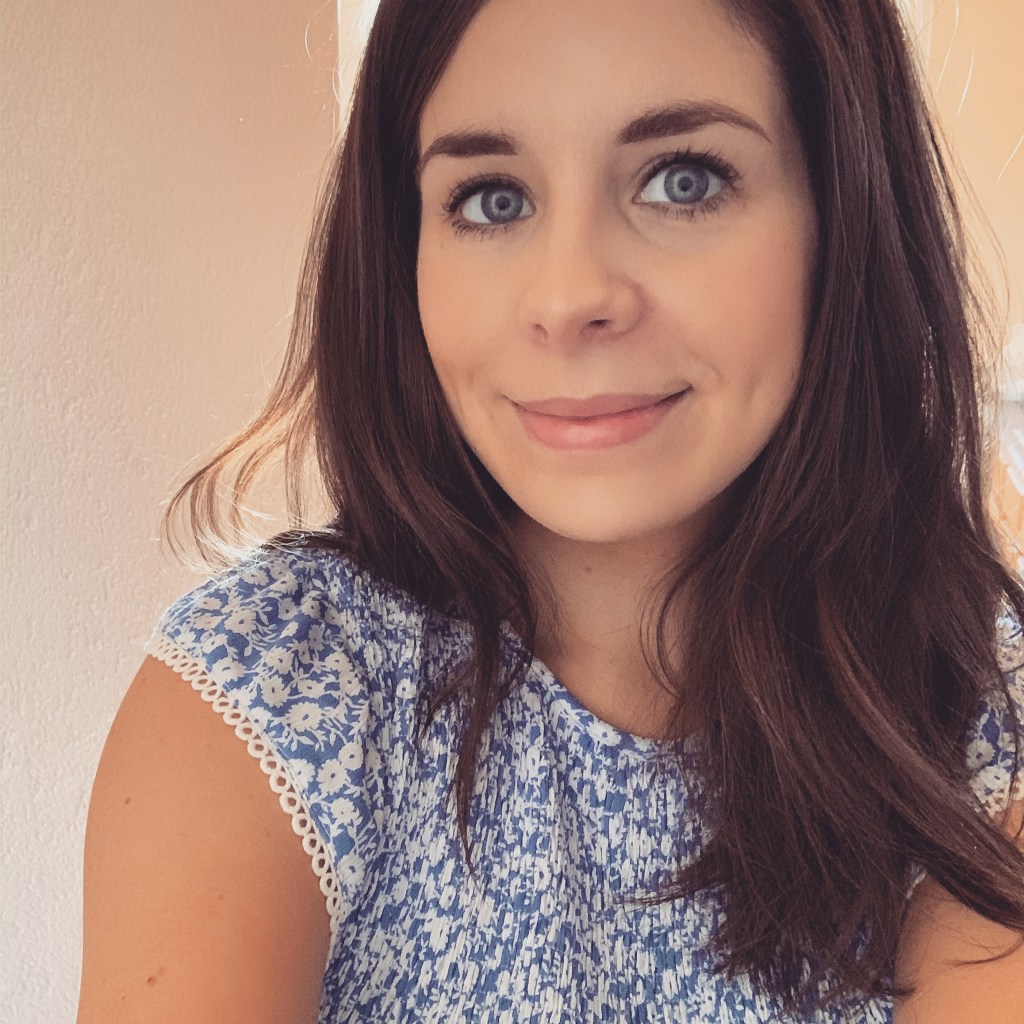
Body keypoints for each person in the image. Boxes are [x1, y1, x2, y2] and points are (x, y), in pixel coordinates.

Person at [76, 0, 1024, 1020]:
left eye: (684, 179)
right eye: (489, 198)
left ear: (841, 214)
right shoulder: (271, 688)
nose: (568, 295)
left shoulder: (978, 702)